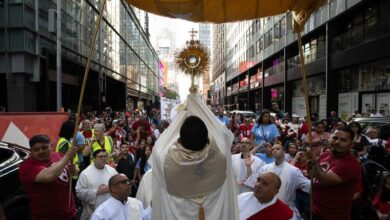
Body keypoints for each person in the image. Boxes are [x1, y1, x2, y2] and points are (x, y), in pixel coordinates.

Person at [151, 108, 238, 220]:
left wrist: (181, 115)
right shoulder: (220, 157)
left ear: (180, 139)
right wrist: (198, 107)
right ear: (206, 138)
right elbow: (224, 136)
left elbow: (158, 146)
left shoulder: (165, 161)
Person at [19, 134, 77, 220]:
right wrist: (67, 157)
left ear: (51, 146)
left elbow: (72, 174)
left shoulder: (57, 155)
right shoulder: (27, 166)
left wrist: (74, 171)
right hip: (46, 217)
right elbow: (49, 176)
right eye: (36, 149)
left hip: (70, 214)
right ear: (31, 151)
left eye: (44, 147)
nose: (41, 151)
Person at [308, 127, 361, 219]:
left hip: (334, 216)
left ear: (351, 145)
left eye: (343, 140)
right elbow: (313, 176)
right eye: (335, 138)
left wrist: (314, 161)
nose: (337, 142)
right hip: (316, 211)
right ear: (330, 138)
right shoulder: (325, 155)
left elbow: (325, 181)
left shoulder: (350, 163)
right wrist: (311, 165)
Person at [245, 144, 310, 218]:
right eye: (273, 149)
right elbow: (252, 181)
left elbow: (309, 186)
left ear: (283, 152)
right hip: (266, 207)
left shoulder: (294, 171)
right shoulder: (265, 168)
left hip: (286, 208)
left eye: (277, 149)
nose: (274, 150)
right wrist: (248, 166)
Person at [76, 149, 118, 220]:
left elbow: (118, 185)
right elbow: (79, 192)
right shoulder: (85, 173)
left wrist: (113, 188)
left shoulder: (112, 171)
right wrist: (97, 192)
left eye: (105, 156)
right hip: (93, 211)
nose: (104, 158)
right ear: (94, 158)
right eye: (101, 156)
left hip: (110, 211)